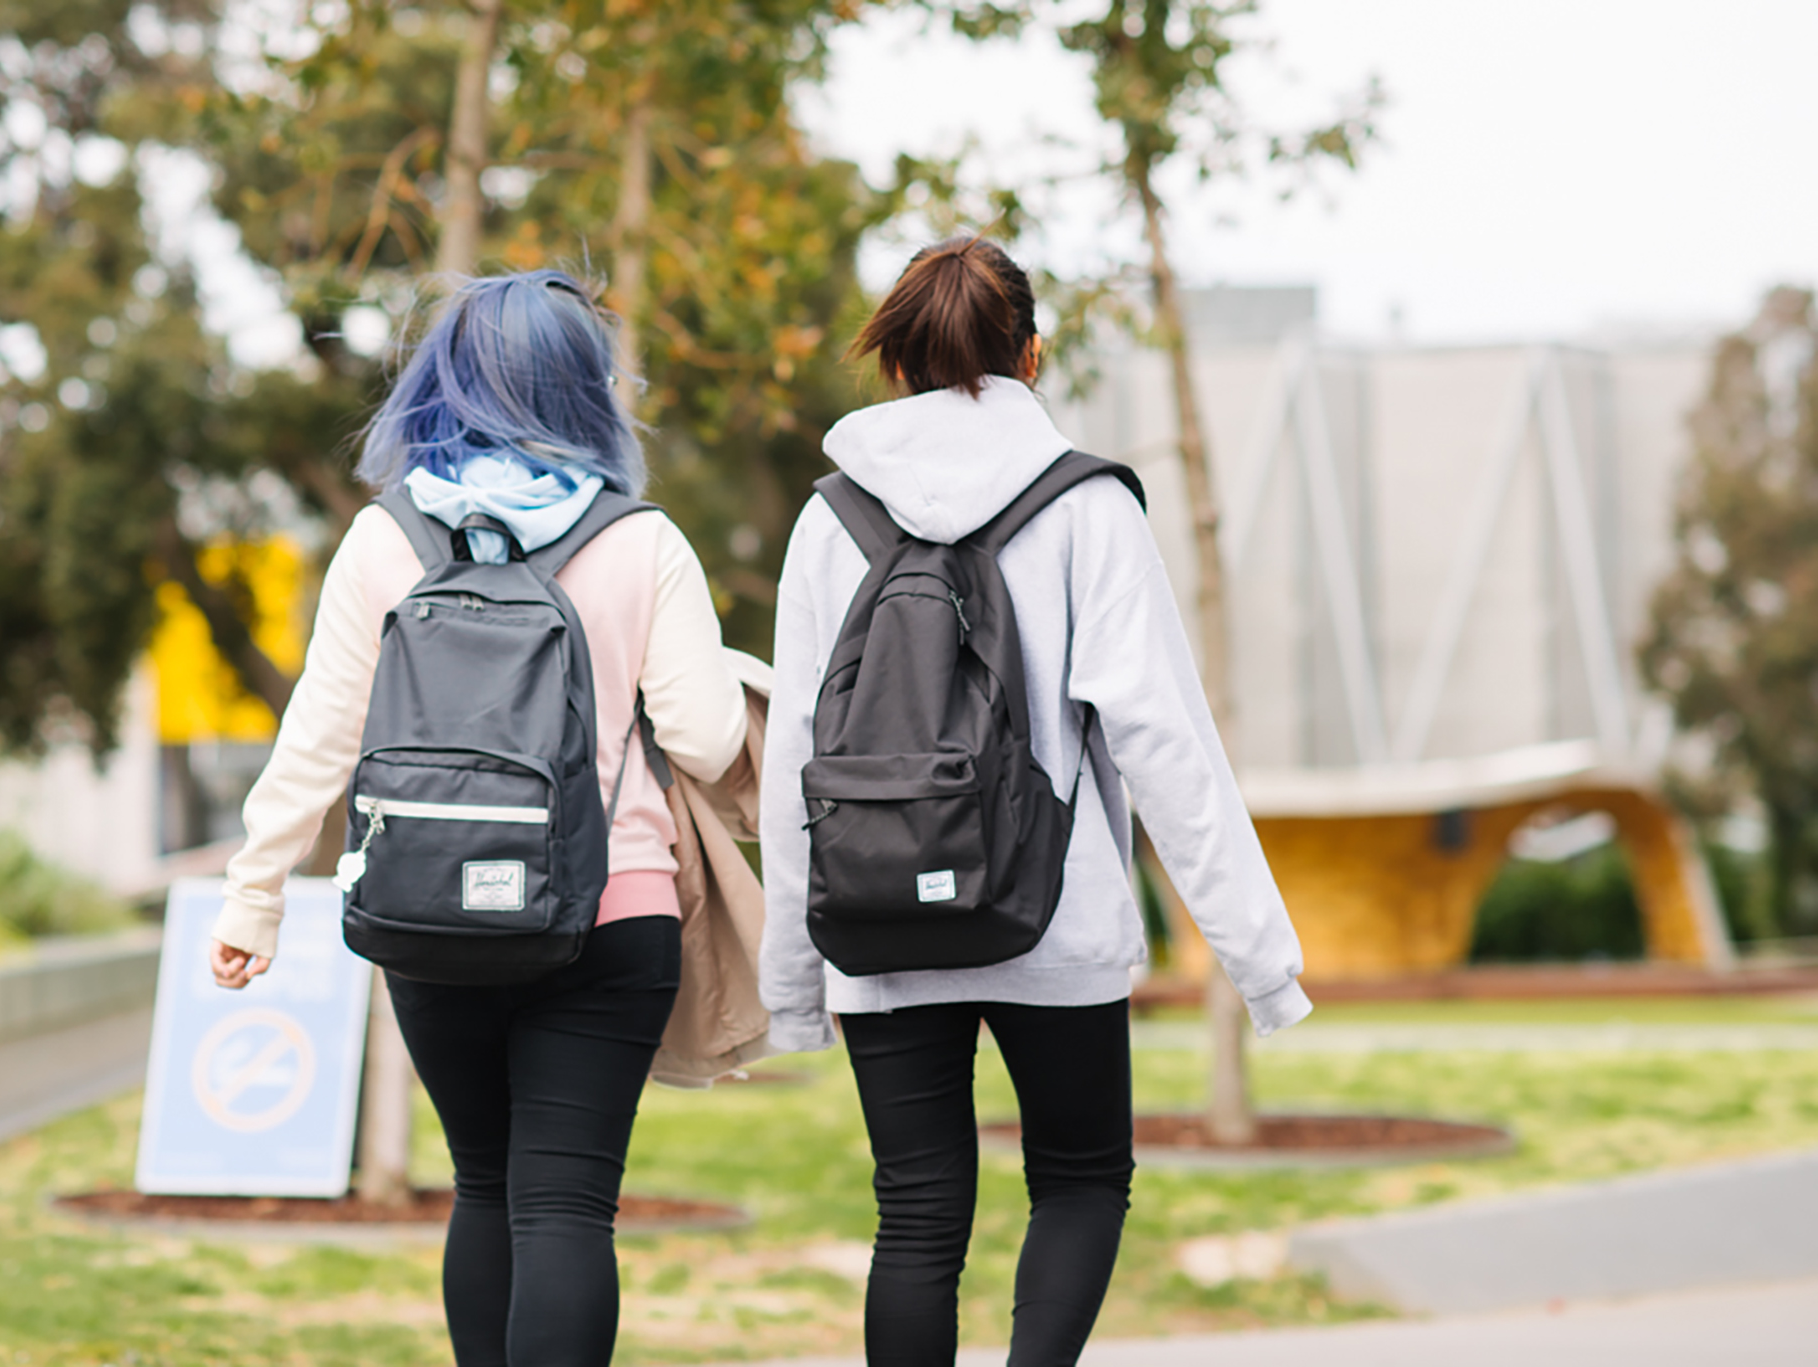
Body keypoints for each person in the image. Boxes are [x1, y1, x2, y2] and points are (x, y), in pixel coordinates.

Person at [758, 237, 1313, 1367]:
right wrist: (1259, 960)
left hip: (874, 919)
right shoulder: (1085, 506)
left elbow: (794, 763)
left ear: (894, 363)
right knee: (1077, 1180)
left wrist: (794, 984)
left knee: (914, 1214)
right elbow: (1167, 741)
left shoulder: (829, 519)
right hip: (1048, 916)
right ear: (1033, 353)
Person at [208, 270, 748, 1367]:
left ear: (440, 381)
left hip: (430, 908)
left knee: (485, 1182)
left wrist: (253, 895)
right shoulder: (641, 540)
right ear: (587, 387)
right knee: (565, 1206)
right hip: (608, 908)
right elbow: (702, 740)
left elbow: (320, 732)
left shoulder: (383, 538)